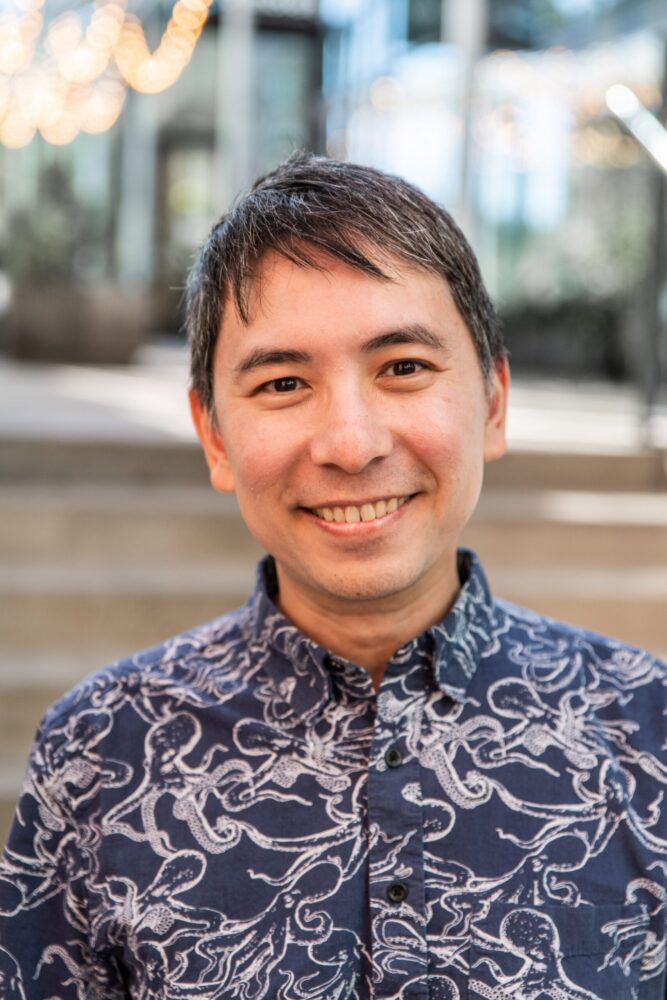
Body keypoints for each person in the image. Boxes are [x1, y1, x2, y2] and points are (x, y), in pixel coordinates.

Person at [0, 153, 665, 1000]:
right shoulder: (100, 752)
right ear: (213, 436)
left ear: (493, 403)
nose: (350, 443)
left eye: (403, 369)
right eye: (283, 382)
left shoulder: (648, 732)